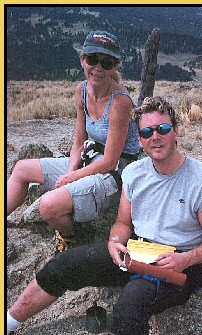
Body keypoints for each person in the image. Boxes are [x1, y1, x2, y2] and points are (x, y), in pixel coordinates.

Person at [7, 96, 202, 335]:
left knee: (130, 307)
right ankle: (9, 323)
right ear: (139, 139)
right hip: (138, 250)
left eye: (163, 128)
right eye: (146, 132)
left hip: (183, 263)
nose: (155, 137)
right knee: (66, 265)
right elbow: (123, 223)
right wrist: (114, 242)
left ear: (176, 131)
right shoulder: (135, 172)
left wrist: (184, 258)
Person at [7, 30, 140, 250]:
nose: (98, 68)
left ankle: (74, 236)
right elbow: (79, 142)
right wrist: (70, 172)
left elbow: (109, 162)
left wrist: (71, 178)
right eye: (92, 59)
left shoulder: (120, 103)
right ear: (82, 60)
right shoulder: (81, 91)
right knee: (21, 169)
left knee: (48, 206)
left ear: (116, 67)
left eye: (106, 63)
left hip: (115, 172)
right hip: (91, 159)